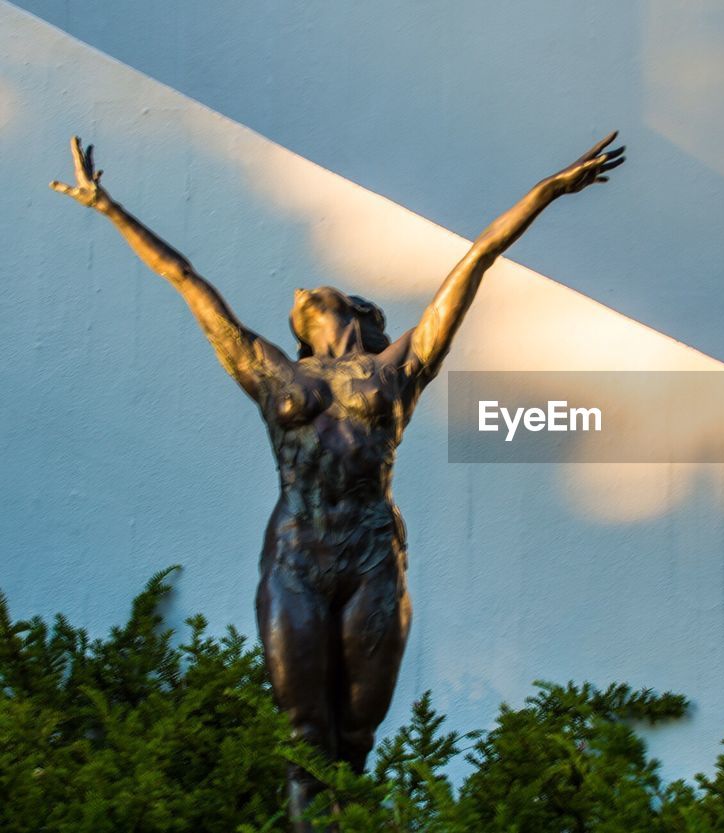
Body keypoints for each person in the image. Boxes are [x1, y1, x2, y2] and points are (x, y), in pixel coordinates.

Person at [51, 132, 624, 828]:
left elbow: (476, 260)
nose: (297, 291)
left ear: (351, 309)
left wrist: (549, 190)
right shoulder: (274, 372)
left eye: (309, 290)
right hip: (295, 557)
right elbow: (186, 279)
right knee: (304, 738)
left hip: (370, 557)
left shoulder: (399, 368)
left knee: (353, 740)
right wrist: (108, 207)